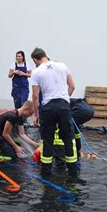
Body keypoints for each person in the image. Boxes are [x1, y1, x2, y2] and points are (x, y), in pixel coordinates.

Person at [31, 47, 77, 176]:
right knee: (68, 140)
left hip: (48, 108)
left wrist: (36, 115)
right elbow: (72, 86)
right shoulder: (62, 66)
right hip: (63, 106)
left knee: (47, 141)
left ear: (35, 59)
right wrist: (65, 100)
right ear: (46, 55)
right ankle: (73, 172)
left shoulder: (36, 72)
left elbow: (35, 96)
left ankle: (46, 173)